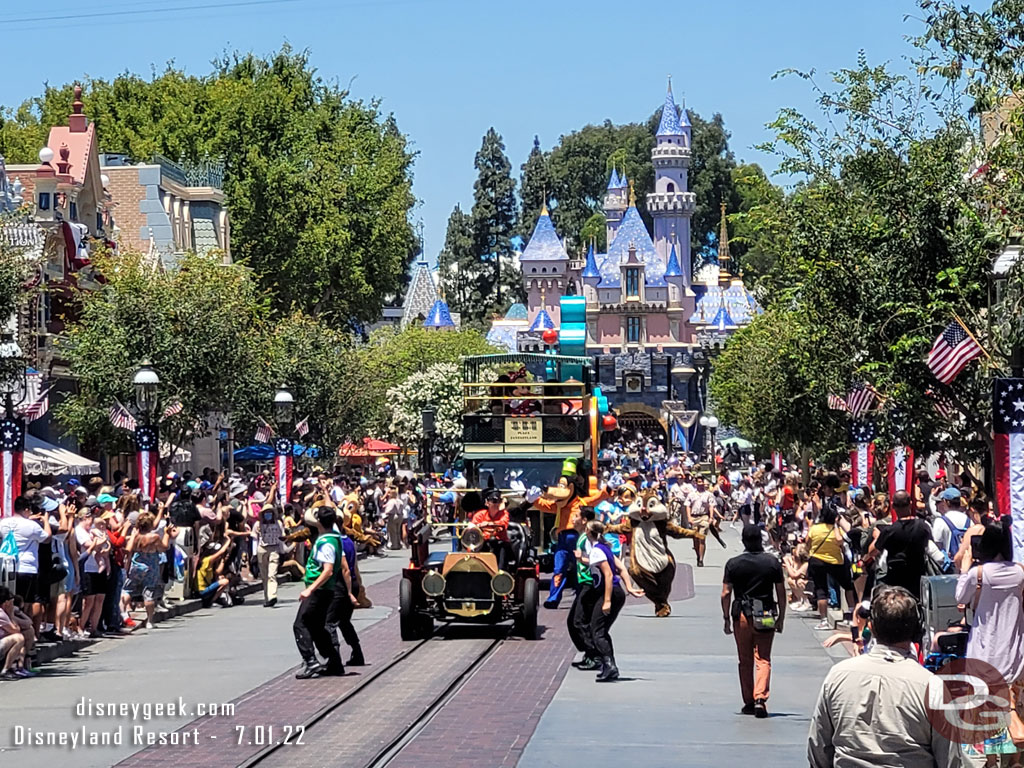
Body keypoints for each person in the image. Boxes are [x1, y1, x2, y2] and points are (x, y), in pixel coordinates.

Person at [807, 586, 958, 767]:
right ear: (917, 629)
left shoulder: (838, 675)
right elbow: (950, 759)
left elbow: (818, 746)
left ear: (871, 628)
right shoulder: (932, 687)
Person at [955, 519, 1024, 764]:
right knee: (1014, 704)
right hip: (1015, 647)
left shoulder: (979, 573)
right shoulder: (1020, 571)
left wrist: (964, 568)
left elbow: (960, 598)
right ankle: (1015, 760)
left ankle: (992, 759)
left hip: (985, 648)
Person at [722, 524, 787, 718]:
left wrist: (726, 618)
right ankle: (760, 698)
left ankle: (749, 701)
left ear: (743, 541)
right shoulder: (772, 562)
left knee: (745, 659)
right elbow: (781, 593)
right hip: (765, 613)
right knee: (764, 658)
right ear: (761, 539)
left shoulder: (733, 563)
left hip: (741, 613)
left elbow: (726, 593)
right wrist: (781, 618)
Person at [585, 520, 643, 682]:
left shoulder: (597, 550)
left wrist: (607, 600)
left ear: (590, 533)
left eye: (586, 529)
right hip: (615, 592)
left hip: (609, 592)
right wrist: (629, 587)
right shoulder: (605, 548)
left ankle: (610, 667)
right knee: (600, 630)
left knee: (596, 631)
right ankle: (609, 666)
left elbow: (609, 574)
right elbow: (622, 568)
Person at [292, 505, 346, 679]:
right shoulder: (334, 535)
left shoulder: (326, 543)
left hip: (320, 590)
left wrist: (310, 589)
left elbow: (328, 570)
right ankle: (334, 662)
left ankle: (310, 661)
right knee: (317, 627)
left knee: (301, 624)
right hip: (325, 590)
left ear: (319, 523)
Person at [0, 495, 52, 635]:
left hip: (6, 566)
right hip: (26, 567)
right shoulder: (31, 525)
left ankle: (10, 630)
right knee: (26, 604)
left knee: (9, 601)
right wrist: (46, 522)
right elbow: (46, 538)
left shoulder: (3, 523)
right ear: (26, 509)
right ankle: (26, 634)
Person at [870, 490, 933, 600]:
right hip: (917, 577)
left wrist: (877, 537)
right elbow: (931, 545)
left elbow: (872, 551)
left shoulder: (889, 530)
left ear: (892, 506)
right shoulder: (923, 526)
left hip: (895, 579)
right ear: (911, 504)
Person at [806, 503, 858, 630]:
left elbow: (808, 542)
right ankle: (851, 613)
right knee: (848, 586)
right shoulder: (836, 530)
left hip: (817, 560)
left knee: (821, 590)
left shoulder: (814, 528)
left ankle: (823, 620)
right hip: (835, 561)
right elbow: (840, 542)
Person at [252, 502, 284, 607]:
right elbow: (255, 539)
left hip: (274, 548)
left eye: (270, 512)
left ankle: (272, 595)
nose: (268, 515)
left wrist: (282, 552)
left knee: (272, 574)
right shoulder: (258, 525)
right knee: (264, 575)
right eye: (266, 513)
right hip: (262, 549)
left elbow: (281, 538)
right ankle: (267, 598)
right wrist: (254, 554)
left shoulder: (278, 524)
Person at [471, 489, 512, 570]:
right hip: (482, 544)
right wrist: (480, 526)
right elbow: (473, 528)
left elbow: (502, 525)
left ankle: (500, 572)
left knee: (499, 544)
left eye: (499, 501)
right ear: (487, 503)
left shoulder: (504, 514)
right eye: (494, 501)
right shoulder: (480, 515)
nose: (496, 504)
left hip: (500, 544)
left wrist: (487, 524)